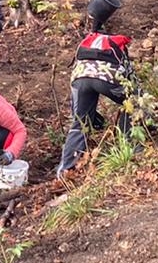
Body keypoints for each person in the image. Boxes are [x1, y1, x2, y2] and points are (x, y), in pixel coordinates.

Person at [57, 28, 136, 177]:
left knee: (79, 124)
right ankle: (131, 149)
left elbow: (76, 109)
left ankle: (65, 171)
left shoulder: (85, 45)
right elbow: (131, 79)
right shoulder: (118, 45)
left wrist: (91, 118)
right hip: (107, 78)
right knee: (132, 103)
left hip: (80, 79)